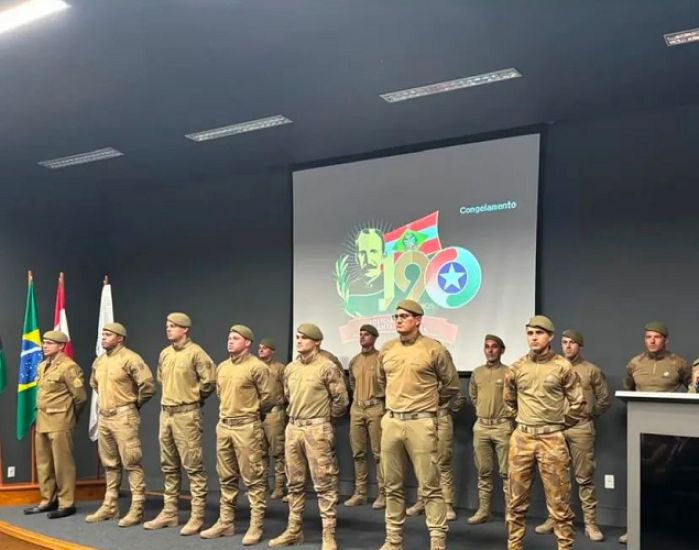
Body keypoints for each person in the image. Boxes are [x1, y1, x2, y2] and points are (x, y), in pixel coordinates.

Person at [379, 299, 461, 550]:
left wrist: (429, 406)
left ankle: (437, 541)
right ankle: (393, 540)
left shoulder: (434, 349)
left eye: (404, 316)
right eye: (396, 316)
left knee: (430, 486)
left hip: (421, 422)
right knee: (391, 485)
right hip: (392, 421)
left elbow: (451, 386)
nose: (399, 320)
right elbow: (382, 382)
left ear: (417, 320)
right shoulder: (387, 349)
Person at [504, 315, 586, 550]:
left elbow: (578, 402)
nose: (534, 338)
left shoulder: (562, 366)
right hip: (522, 438)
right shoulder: (516, 367)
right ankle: (514, 545)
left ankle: (564, 546)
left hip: (552, 439)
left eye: (539, 333)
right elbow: (508, 402)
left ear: (550, 336)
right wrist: (523, 422)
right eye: (530, 333)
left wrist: (559, 425)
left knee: (559, 502)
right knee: (515, 501)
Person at [269, 324, 348, 550]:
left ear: (317, 342)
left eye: (304, 338)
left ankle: (328, 535)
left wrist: (324, 421)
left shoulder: (327, 367)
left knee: (324, 483)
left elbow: (341, 401)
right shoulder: (291, 368)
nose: (299, 340)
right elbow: (287, 395)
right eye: (297, 337)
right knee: (294, 483)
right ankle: (294, 530)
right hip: (293, 428)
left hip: (317, 430)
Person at [618, 321, 691, 545]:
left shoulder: (678, 363)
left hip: (670, 433)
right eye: (648, 336)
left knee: (666, 480)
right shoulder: (634, 363)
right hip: (640, 433)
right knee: (638, 481)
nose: (652, 341)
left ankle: (667, 531)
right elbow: (628, 391)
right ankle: (634, 529)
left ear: (665, 340)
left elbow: (693, 387)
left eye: (656, 337)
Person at [535, 329, 610, 541]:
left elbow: (604, 400)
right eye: (564, 342)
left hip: (580, 428)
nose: (567, 346)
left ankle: (591, 524)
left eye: (572, 343)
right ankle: (555, 519)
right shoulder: (553, 368)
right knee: (555, 477)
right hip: (556, 428)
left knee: (585, 476)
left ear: (580, 346)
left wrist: (588, 414)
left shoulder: (591, 370)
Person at [144, 312, 216, 536]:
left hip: (186, 414)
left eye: (173, 326)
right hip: (166, 413)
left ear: (185, 329)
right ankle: (170, 512)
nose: (168, 329)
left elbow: (209, 382)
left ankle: (197, 515)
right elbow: (161, 378)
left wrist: (193, 398)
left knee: (193, 466)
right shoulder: (165, 353)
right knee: (168, 465)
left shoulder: (196, 353)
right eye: (167, 325)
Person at [201, 325, 273, 544]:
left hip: (247, 427)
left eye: (235, 338)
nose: (230, 341)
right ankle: (226, 522)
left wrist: (251, 414)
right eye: (229, 338)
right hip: (225, 426)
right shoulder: (222, 367)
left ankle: (255, 525)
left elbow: (269, 398)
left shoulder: (257, 367)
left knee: (254, 478)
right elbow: (221, 394)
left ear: (247, 342)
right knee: (226, 477)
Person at [86, 322, 155, 527]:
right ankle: (110, 505)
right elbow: (94, 384)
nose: (103, 337)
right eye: (103, 334)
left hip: (124, 416)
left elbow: (148, 386)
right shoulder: (100, 361)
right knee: (110, 463)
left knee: (132, 462)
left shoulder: (131, 359)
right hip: (105, 417)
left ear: (120, 338)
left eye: (108, 334)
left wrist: (133, 405)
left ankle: (137, 508)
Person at [24, 330, 86, 519]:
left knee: (62, 465)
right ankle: (47, 500)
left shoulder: (69, 367)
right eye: (44, 342)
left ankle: (66, 503)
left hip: (60, 421)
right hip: (42, 420)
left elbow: (80, 398)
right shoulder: (43, 366)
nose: (45, 346)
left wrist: (69, 417)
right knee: (44, 464)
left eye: (50, 343)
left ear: (61, 346)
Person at [467, 334, 513, 525]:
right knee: (483, 471)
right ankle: (484, 510)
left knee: (507, 473)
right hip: (481, 427)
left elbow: (516, 398)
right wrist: (483, 411)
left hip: (502, 426)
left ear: (502, 350)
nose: (490, 350)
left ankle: (511, 513)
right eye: (487, 346)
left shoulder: (509, 372)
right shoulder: (477, 372)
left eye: (494, 346)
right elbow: (473, 396)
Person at [344, 324, 385, 509]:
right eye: (360, 334)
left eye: (366, 334)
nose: (362, 337)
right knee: (358, 453)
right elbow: (352, 383)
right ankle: (360, 493)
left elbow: (388, 383)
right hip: (357, 408)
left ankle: (383, 493)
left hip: (375, 407)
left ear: (374, 338)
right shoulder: (354, 361)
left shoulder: (381, 359)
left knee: (379, 453)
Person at [258, 337, 287, 500]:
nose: (261, 349)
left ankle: (279, 487)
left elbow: (288, 390)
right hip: (256, 414)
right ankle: (262, 487)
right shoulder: (254, 367)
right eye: (260, 347)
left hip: (274, 414)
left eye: (265, 347)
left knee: (278, 452)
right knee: (260, 453)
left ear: (272, 351)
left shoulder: (280, 368)